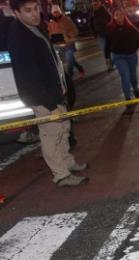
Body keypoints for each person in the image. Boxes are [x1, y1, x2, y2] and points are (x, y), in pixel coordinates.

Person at [7, 0, 89, 186]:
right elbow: (30, 76)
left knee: (63, 129)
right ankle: (61, 175)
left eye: (36, 9)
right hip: (43, 98)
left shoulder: (35, 27)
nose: (35, 14)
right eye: (28, 10)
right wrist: (50, 104)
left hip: (54, 92)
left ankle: (67, 162)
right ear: (16, 13)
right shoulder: (19, 36)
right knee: (51, 134)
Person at [105, 8, 139, 103]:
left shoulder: (130, 27)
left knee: (133, 76)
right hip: (118, 56)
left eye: (121, 14)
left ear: (124, 16)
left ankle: (135, 89)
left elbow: (138, 37)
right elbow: (107, 44)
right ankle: (127, 97)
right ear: (113, 17)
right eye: (117, 14)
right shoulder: (110, 28)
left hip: (131, 55)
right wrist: (107, 57)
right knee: (125, 75)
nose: (119, 16)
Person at [48, 4, 85, 80]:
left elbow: (75, 31)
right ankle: (81, 69)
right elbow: (50, 33)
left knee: (69, 60)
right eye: (54, 12)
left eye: (57, 12)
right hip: (58, 45)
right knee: (71, 60)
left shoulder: (67, 20)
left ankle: (69, 77)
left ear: (60, 12)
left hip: (69, 44)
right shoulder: (51, 23)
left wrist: (68, 36)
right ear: (52, 13)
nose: (56, 14)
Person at [90, 0, 112, 71]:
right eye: (93, 2)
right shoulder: (92, 12)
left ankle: (112, 61)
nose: (94, 3)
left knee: (110, 49)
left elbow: (110, 20)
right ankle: (109, 64)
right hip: (99, 35)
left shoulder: (104, 11)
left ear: (99, 3)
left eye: (96, 2)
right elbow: (91, 24)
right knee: (104, 49)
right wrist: (94, 33)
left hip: (108, 33)